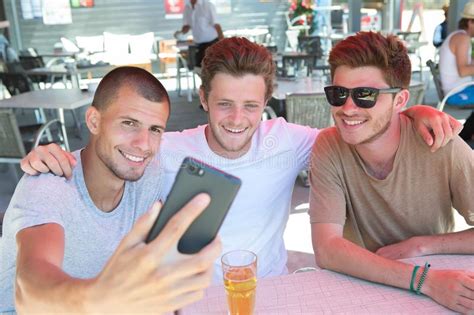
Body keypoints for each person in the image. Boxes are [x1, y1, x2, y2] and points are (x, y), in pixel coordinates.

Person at [19, 37, 461, 283]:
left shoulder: (290, 141)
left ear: (266, 103)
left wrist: (412, 111)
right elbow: (112, 151)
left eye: (250, 106)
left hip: (266, 292)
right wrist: (52, 156)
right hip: (185, 299)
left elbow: (356, 127)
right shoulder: (165, 147)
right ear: (203, 100)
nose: (237, 119)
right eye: (224, 104)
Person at [0, 67, 221, 313]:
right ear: (94, 121)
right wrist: (99, 299)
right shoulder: (48, 185)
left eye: (155, 129)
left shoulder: (148, 172)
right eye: (129, 123)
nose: (143, 144)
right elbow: (29, 291)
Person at [309, 31, 474, 313]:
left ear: (400, 101)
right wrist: (425, 281)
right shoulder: (329, 145)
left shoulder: (441, 144)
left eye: (365, 96)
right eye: (338, 94)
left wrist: (423, 246)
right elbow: (327, 249)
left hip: (436, 291)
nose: (348, 109)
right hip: (364, 289)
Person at [439, 1, 474, 142]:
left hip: (458, 89)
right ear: (471, 22)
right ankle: (464, 136)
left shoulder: (460, 36)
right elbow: (463, 71)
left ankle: (465, 135)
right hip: (457, 92)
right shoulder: (463, 39)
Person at [174, 0, 224, 68]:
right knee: (198, 68)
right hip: (198, 45)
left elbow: (217, 25)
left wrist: (223, 44)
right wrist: (180, 33)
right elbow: (187, 26)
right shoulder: (187, 7)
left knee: (212, 69)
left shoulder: (208, 5)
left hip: (212, 43)